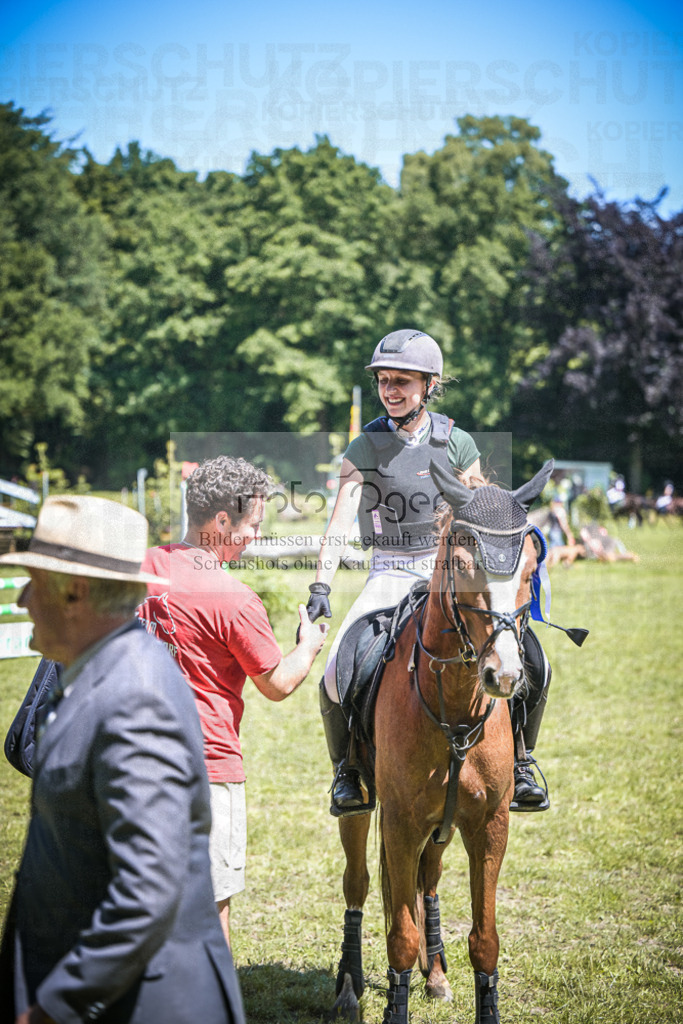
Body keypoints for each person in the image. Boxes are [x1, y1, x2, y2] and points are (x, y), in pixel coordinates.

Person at [0, 495, 245, 1024]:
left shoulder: (135, 698)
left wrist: (55, 1007)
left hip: (141, 1004)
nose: (21, 600)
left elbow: (147, 890)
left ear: (77, 593)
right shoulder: (92, 670)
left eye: (34, 584)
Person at [306, 328, 551, 815]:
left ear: (429, 385)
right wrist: (321, 583)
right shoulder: (364, 446)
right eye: (383, 381)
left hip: (450, 570)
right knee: (338, 668)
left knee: (535, 662)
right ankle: (349, 771)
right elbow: (339, 520)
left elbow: (481, 508)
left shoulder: (457, 441)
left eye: (402, 381)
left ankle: (522, 761)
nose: (390, 390)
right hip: (390, 570)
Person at [137, 456, 328, 946]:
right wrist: (308, 644)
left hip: (133, 762)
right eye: (253, 525)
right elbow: (278, 684)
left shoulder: (144, 567)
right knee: (210, 907)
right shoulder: (235, 598)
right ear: (221, 521)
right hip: (207, 768)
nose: (257, 537)